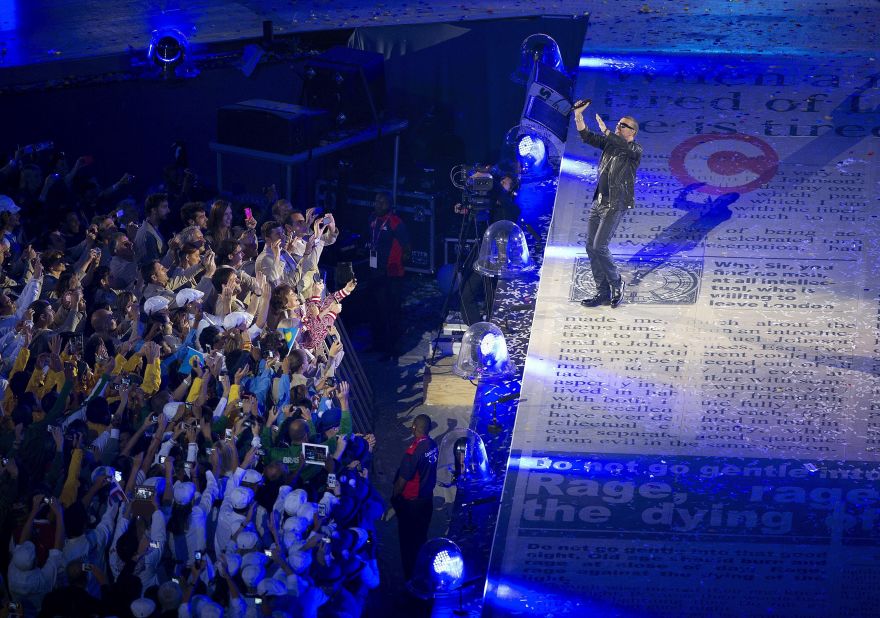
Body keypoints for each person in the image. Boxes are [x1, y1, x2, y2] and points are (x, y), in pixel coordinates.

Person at [573, 101, 642, 308]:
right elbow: (586, 136)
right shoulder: (611, 144)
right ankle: (601, 292)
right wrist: (578, 116)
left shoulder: (634, 149)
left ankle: (616, 282)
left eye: (623, 125)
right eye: (618, 124)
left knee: (599, 246)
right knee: (590, 247)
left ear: (633, 132)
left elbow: (624, 146)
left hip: (615, 204)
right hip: (598, 202)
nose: (618, 127)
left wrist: (605, 130)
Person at [389, 413, 438, 580]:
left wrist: (395, 497)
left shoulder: (413, 452)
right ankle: (424, 571)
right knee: (421, 538)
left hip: (412, 504)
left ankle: (412, 579)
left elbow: (402, 480)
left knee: (408, 544)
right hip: (426, 501)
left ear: (414, 428)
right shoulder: (432, 445)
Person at [367, 192, 409, 361]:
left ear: (389, 204)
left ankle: (392, 349)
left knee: (391, 312)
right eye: (377, 201)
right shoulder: (372, 220)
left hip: (392, 275)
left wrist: (398, 265)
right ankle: (377, 343)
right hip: (375, 271)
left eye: (382, 202)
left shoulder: (395, 223)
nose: (378, 205)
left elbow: (407, 248)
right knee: (375, 309)